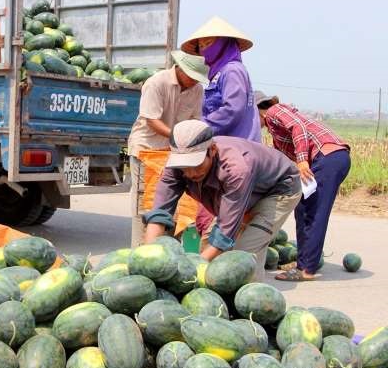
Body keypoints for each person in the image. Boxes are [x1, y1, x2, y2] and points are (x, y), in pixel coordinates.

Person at [143, 120, 302, 280]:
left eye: (196, 165)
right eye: (185, 168)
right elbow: (159, 214)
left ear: (212, 150)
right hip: (243, 192)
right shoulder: (176, 167)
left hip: (279, 188)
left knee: (243, 255)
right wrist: (147, 258)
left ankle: (251, 296)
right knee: (207, 244)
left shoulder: (236, 168)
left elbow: (225, 232)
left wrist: (191, 270)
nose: (191, 174)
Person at [180, 16, 263, 246]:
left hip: (236, 149)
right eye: (202, 45)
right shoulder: (218, 73)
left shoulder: (233, 70)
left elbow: (232, 109)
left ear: (224, 43)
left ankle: (214, 261)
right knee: (219, 210)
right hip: (223, 146)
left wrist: (201, 128)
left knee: (223, 213)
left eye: (209, 43)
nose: (205, 49)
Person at [255, 91, 351, 281]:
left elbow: (298, 127)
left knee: (314, 213)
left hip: (327, 158)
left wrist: (302, 161)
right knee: (303, 209)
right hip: (328, 159)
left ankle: (306, 269)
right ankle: (304, 262)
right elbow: (281, 163)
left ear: (257, 111)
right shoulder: (275, 133)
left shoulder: (275, 111)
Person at [127, 51, 209, 246]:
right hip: (146, 149)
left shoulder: (197, 89)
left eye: (198, 79)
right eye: (192, 77)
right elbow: (152, 120)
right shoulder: (156, 83)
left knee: (175, 202)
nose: (194, 82)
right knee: (144, 202)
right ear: (180, 69)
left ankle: (168, 249)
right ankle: (140, 248)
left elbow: (195, 121)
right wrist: (179, 138)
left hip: (175, 152)